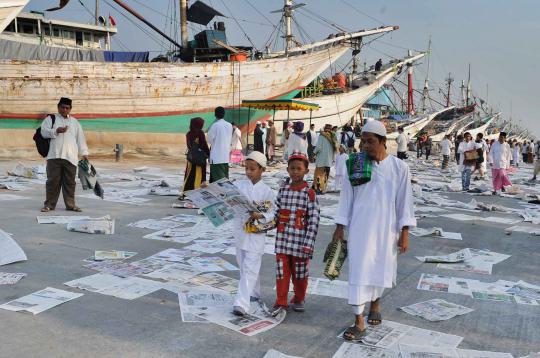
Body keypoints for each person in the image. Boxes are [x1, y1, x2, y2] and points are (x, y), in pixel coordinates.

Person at [332, 120, 415, 341]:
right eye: (363, 141)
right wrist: (340, 227)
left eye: (370, 142)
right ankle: (358, 320)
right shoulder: (355, 163)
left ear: (383, 142)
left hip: (387, 231)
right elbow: (346, 198)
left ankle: (375, 303)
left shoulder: (400, 168)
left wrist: (404, 232)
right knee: (359, 272)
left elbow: (404, 202)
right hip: (360, 228)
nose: (365, 146)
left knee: (380, 268)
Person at [272, 151, 320, 316]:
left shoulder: (310, 194)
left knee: (300, 273)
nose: (295, 172)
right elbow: (275, 212)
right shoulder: (283, 190)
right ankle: (281, 301)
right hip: (282, 241)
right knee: (281, 272)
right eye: (292, 168)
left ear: (306, 171)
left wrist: (308, 244)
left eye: (299, 168)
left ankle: (299, 298)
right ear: (287, 170)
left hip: (300, 243)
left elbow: (313, 220)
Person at [232, 151, 275, 316]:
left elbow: (274, 214)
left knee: (250, 267)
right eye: (247, 169)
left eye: (252, 169)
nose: (249, 172)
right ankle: (254, 294)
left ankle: (241, 303)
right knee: (244, 266)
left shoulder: (267, 191)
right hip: (240, 233)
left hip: (256, 235)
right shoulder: (239, 185)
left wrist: (261, 215)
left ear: (262, 170)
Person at [40, 97, 88, 212]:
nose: (64, 110)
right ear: (58, 107)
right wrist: (56, 131)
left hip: (70, 157)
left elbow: (80, 139)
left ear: (70, 109)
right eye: (62, 107)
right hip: (54, 156)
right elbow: (43, 132)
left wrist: (84, 153)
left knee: (70, 183)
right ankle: (49, 205)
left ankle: (71, 205)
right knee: (52, 182)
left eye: (67, 108)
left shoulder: (75, 122)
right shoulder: (50, 119)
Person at [181, 117, 210, 199]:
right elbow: (204, 144)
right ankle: (196, 193)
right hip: (199, 159)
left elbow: (189, 146)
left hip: (191, 159)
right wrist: (208, 154)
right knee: (198, 176)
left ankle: (186, 193)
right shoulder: (200, 133)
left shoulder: (188, 134)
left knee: (189, 175)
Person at [207, 106, 232, 182]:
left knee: (216, 180)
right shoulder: (229, 125)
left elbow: (209, 139)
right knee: (224, 179)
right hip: (225, 156)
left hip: (216, 157)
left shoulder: (215, 125)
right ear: (224, 114)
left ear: (215, 115)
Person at [313, 124, 337, 194]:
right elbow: (335, 149)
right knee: (326, 174)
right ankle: (323, 188)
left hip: (321, 159)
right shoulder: (333, 137)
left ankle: (318, 189)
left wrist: (314, 153)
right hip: (329, 160)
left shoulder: (322, 136)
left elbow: (318, 147)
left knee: (319, 174)